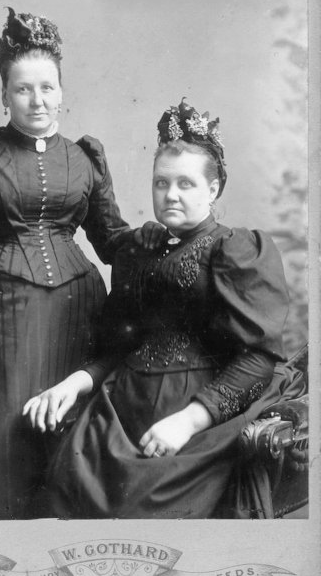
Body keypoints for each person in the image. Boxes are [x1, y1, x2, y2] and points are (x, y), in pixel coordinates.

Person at [0, 7, 162, 520]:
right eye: (23, 89)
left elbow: (111, 241)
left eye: (47, 88)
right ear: (5, 95)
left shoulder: (84, 157)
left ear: (61, 92)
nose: (37, 100)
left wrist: (165, 238)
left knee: (67, 441)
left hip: (78, 315)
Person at [24, 98, 305, 519]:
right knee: (61, 498)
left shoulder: (235, 250)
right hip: (121, 407)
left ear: (213, 190)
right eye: (161, 183)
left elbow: (258, 359)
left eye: (186, 184)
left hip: (202, 412)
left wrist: (188, 422)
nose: (170, 195)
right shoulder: (139, 251)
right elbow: (121, 346)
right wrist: (75, 383)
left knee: (143, 515)